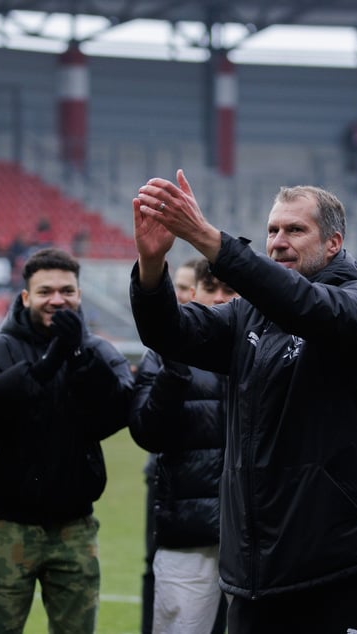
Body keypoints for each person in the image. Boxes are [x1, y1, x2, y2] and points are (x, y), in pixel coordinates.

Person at [130, 170, 357, 634]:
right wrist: (151, 265)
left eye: (295, 230)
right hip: (259, 578)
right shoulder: (248, 316)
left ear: (334, 243)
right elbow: (169, 333)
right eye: (272, 230)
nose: (278, 241)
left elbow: (306, 306)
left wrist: (205, 236)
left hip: (345, 567)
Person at [0, 247, 134, 634]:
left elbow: (121, 408)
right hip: (8, 525)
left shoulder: (96, 351)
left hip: (75, 527)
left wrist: (77, 357)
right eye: (45, 291)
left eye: (66, 290)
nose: (57, 299)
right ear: (25, 297)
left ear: (79, 294)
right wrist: (43, 367)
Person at [130, 258, 236, 634]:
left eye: (230, 291)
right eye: (212, 289)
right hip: (188, 535)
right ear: (193, 294)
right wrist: (175, 372)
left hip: (256, 538)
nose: (220, 299)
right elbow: (145, 432)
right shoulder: (163, 353)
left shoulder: (266, 352)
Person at [140, 255, 200, 634]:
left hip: (214, 497)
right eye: (175, 287)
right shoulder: (159, 352)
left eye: (184, 287)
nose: (177, 295)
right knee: (155, 568)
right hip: (168, 480)